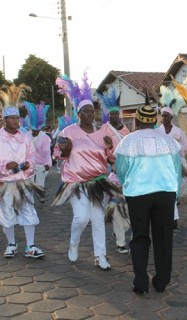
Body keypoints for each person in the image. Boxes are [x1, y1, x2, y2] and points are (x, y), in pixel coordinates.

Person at [114, 98, 182, 294]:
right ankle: (162, 281)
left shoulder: (128, 141)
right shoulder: (169, 142)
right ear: (155, 121)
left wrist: (128, 184)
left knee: (140, 236)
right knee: (164, 237)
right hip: (165, 194)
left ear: (136, 121)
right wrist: (174, 195)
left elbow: (121, 171)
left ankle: (141, 281)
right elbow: (177, 171)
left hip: (138, 194)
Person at [53, 73, 119, 270]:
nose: (92, 115)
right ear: (79, 114)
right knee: (81, 217)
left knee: (98, 220)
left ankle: (101, 256)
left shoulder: (103, 133)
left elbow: (111, 158)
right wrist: (65, 149)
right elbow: (59, 154)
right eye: (87, 112)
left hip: (98, 182)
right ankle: (74, 243)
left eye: (93, 112)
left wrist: (109, 147)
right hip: (76, 181)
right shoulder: (68, 132)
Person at [0, 104, 45, 259]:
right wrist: (6, 166)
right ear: (4, 119)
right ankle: (11, 244)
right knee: (7, 213)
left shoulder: (25, 137)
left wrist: (27, 165)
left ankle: (31, 246)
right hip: (5, 183)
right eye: (11, 118)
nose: (15, 121)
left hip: (23, 181)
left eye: (17, 118)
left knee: (29, 211)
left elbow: (31, 155)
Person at [97, 86, 131, 254]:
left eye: (117, 113)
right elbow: (98, 150)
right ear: (108, 115)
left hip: (129, 173)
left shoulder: (126, 131)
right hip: (111, 172)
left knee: (130, 209)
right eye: (111, 114)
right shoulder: (103, 130)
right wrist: (108, 151)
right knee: (116, 205)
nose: (114, 116)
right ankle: (120, 241)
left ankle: (120, 229)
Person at [156, 106, 187, 228]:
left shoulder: (178, 131)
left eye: (166, 115)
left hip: (176, 161)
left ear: (171, 117)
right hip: (162, 163)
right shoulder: (157, 131)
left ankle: (174, 212)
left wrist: (175, 147)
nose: (163, 117)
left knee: (181, 184)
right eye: (162, 115)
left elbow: (185, 146)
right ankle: (170, 217)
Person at [24, 101, 52, 203]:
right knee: (28, 182)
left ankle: (41, 195)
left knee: (40, 182)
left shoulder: (44, 137)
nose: (35, 132)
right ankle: (29, 198)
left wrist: (47, 164)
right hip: (29, 163)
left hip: (40, 163)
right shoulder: (26, 135)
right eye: (33, 130)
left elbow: (47, 152)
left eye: (37, 131)